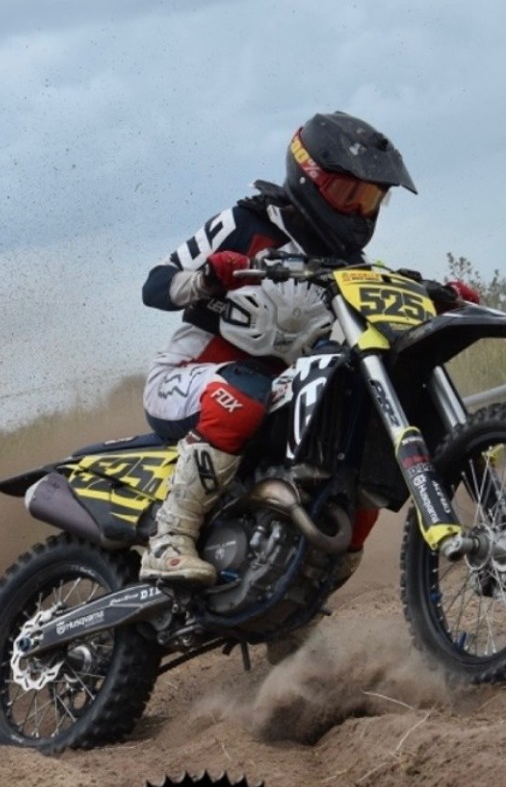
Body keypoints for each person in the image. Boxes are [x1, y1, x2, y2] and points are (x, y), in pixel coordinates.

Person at [139, 111, 477, 586]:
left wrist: (439, 298)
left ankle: (305, 584)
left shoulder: (350, 267)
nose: (358, 212)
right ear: (308, 177)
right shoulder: (246, 222)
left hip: (273, 393)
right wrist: (208, 276)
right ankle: (169, 539)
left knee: (356, 441)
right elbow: (154, 285)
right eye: (347, 194)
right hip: (185, 377)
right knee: (242, 399)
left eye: (369, 199)